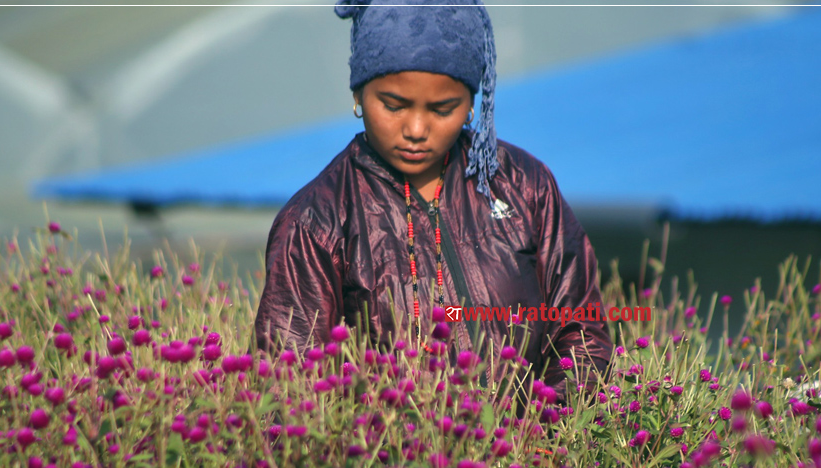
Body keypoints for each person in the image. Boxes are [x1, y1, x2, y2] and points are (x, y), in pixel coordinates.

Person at [253, 0, 612, 401]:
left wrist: (542, 433)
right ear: (358, 93)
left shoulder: (524, 184)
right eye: (393, 105)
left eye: (443, 109)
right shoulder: (317, 220)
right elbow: (287, 388)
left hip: (530, 456)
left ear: (473, 104)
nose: (416, 129)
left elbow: (582, 331)